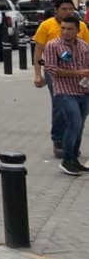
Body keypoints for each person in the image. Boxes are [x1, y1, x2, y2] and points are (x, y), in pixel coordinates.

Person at [33, 0, 89, 158]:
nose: (68, 12)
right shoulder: (46, 26)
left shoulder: (81, 27)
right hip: (55, 72)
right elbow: (38, 50)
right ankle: (58, 141)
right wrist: (37, 74)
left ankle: (71, 145)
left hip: (81, 73)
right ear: (56, 10)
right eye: (64, 9)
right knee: (60, 105)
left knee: (79, 111)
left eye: (71, 9)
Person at [43, 16, 89, 175]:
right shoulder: (53, 45)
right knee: (74, 122)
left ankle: (74, 158)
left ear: (78, 30)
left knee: (80, 125)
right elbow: (52, 70)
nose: (65, 32)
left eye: (69, 29)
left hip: (84, 91)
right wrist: (78, 73)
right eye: (63, 28)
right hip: (64, 91)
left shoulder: (84, 46)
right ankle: (66, 159)